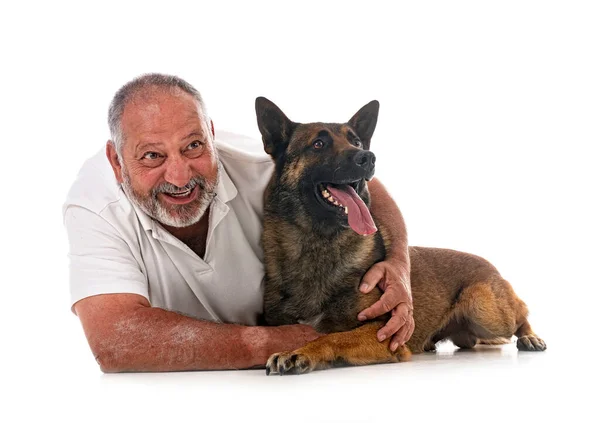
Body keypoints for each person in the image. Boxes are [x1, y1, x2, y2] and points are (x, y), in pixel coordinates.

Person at [63, 73, 414, 373]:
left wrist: (399, 261)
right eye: (152, 156)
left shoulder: (261, 165)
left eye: (193, 146)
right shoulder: (94, 206)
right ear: (116, 160)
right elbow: (114, 340)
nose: (180, 175)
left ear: (211, 135)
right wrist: (279, 342)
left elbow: (366, 183)